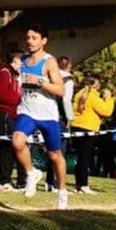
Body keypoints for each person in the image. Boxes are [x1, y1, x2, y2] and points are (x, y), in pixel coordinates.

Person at [10, 25, 69, 210]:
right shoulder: (24, 60)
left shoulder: (49, 61)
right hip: (27, 111)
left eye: (34, 38)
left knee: (55, 155)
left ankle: (62, 191)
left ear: (44, 40)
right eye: (28, 37)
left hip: (47, 115)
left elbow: (61, 90)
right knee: (17, 141)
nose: (30, 41)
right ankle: (32, 172)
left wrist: (41, 82)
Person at [70, 74, 114, 194]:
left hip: (76, 127)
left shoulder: (79, 93)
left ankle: (78, 185)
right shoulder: (94, 97)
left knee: (80, 158)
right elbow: (107, 112)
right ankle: (84, 185)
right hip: (88, 129)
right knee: (85, 159)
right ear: (98, 84)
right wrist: (109, 98)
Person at [0, 49, 25, 191]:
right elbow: (3, 95)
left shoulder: (14, 75)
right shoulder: (4, 72)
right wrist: (19, 100)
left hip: (14, 113)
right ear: (15, 60)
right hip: (5, 112)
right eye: (21, 60)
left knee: (12, 147)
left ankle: (6, 179)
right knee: (6, 146)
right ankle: (3, 180)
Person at [46, 56, 75, 192]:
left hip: (48, 114)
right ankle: (57, 183)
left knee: (51, 150)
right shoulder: (68, 79)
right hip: (60, 117)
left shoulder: (50, 76)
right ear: (69, 67)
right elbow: (66, 99)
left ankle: (49, 182)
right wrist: (69, 117)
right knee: (60, 152)